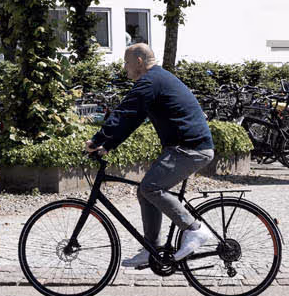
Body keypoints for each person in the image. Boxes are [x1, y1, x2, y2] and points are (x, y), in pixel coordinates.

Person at [84, 42, 217, 268]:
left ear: (139, 61)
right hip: (186, 147)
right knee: (145, 191)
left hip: (190, 148)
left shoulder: (150, 81)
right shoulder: (156, 79)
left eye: (126, 63)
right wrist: (108, 145)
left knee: (151, 188)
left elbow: (124, 112)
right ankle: (152, 249)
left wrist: (96, 141)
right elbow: (133, 119)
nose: (125, 69)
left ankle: (194, 229)